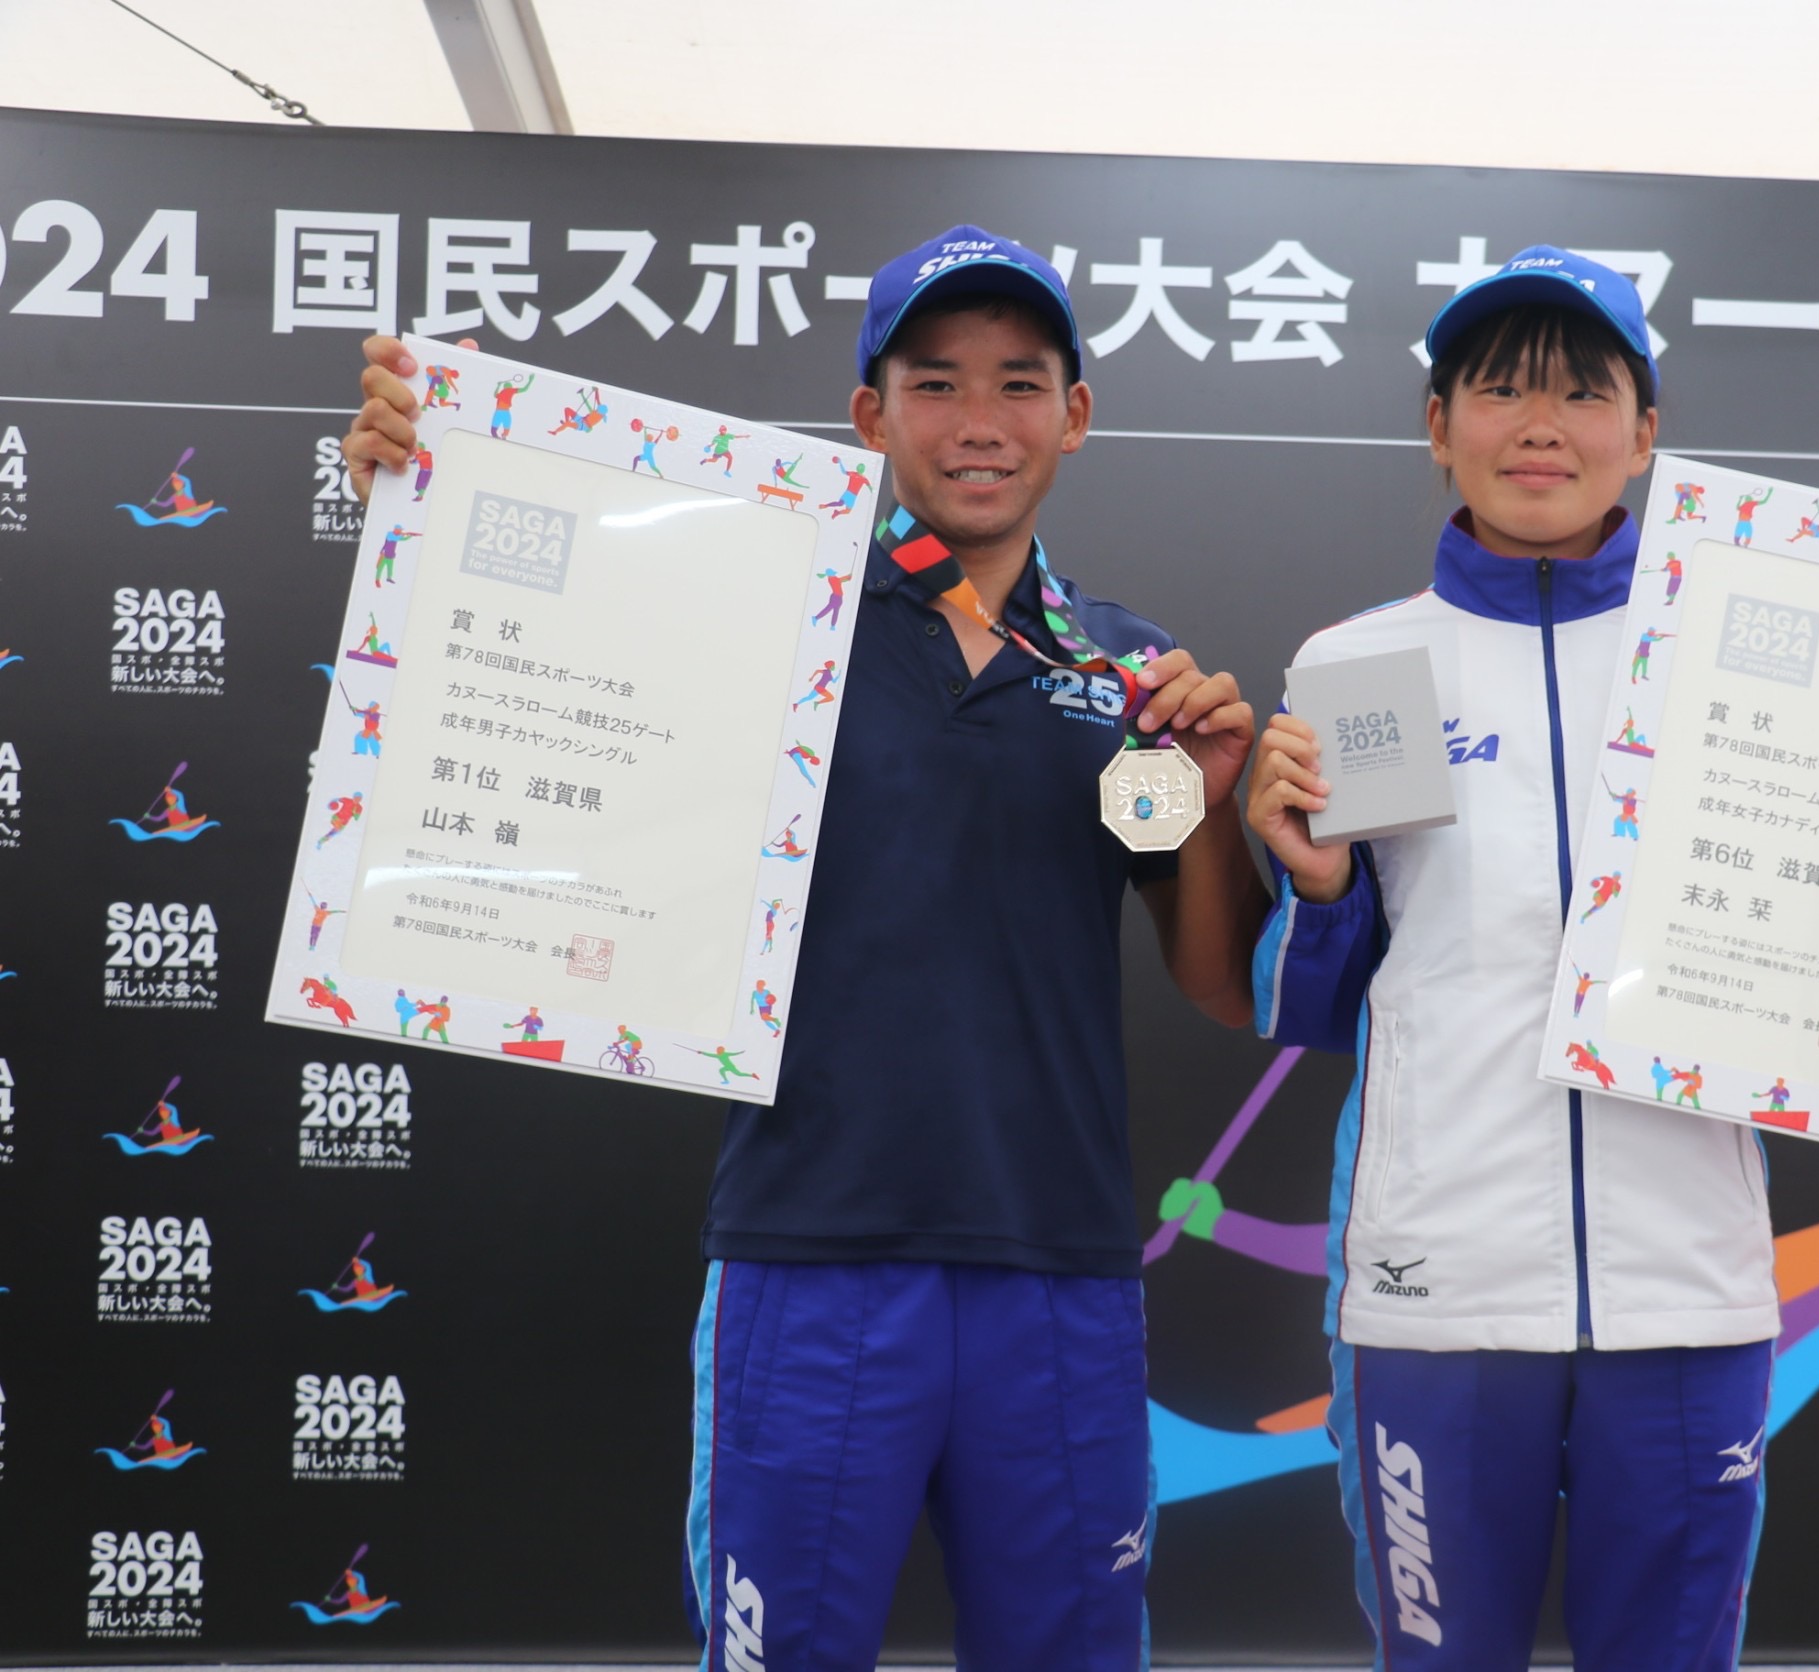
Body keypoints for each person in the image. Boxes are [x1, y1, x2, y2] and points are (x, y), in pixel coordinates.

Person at [342, 224, 1270, 1672]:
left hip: (1058, 1272)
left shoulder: (1125, 673)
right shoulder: (759, 616)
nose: (980, 423)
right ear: (868, 415)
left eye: (1021, 384)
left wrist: (1211, 807)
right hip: (812, 1253)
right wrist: (427, 494)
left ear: (1075, 418)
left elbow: (1217, 984)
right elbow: (529, 622)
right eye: (937, 382)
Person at [1245, 246, 1819, 1670]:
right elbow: (1318, 1005)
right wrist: (1317, 886)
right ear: (1437, 425)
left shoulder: (1761, 658)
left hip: (1688, 1288)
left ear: (1647, 427)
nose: (1541, 425)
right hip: (1441, 1285)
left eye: (1583, 391)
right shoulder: (1367, 666)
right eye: (1499, 390)